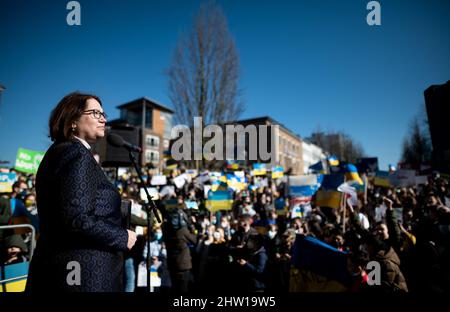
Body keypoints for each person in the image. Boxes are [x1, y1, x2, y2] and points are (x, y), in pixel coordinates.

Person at [26, 92, 137, 292]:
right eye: (95, 113)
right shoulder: (76, 154)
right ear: (73, 120)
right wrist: (122, 237)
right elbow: (76, 219)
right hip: (82, 275)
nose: (103, 118)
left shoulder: (63, 151)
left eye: (103, 114)